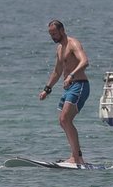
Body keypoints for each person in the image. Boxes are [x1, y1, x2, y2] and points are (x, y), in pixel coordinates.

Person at [39, 20, 90, 165]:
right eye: (50, 34)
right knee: (63, 121)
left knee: (65, 119)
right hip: (69, 88)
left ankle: (77, 158)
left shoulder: (73, 43)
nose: (52, 36)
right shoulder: (59, 49)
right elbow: (57, 72)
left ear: (62, 30)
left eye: (54, 33)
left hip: (80, 85)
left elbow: (85, 61)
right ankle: (76, 156)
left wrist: (71, 76)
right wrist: (46, 90)